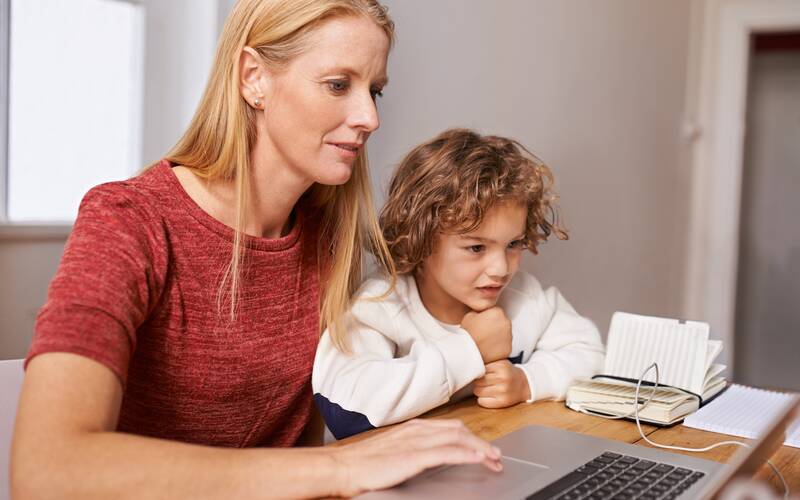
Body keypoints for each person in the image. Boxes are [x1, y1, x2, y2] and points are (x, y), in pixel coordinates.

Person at [9, 3, 502, 498]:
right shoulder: (127, 220)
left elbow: (300, 444)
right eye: (338, 84)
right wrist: (339, 468)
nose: (369, 117)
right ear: (254, 79)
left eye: (374, 90)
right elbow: (46, 468)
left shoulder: (326, 235)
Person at [313, 128, 605, 439]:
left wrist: (527, 381)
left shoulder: (523, 295)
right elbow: (345, 408)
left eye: (513, 244)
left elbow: (591, 354)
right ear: (420, 241)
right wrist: (469, 350)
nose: (501, 268)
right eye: (476, 248)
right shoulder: (382, 304)